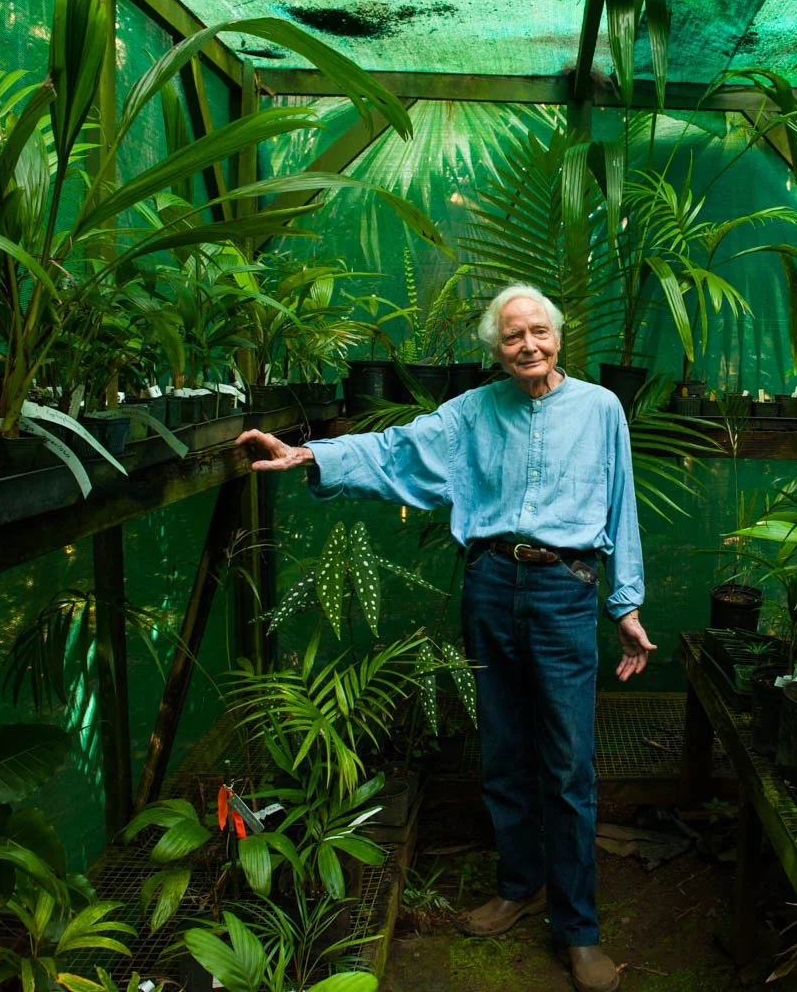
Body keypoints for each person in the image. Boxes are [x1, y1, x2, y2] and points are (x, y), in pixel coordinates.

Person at [236, 283, 654, 992]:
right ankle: (519, 887)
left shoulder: (600, 409)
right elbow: (399, 450)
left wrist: (626, 604)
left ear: (558, 337)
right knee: (502, 747)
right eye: (513, 336)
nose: (529, 346)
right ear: (496, 349)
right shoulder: (471, 413)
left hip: (563, 590)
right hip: (490, 585)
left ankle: (578, 929)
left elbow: (623, 504)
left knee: (569, 763)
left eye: (539, 333)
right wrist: (310, 456)